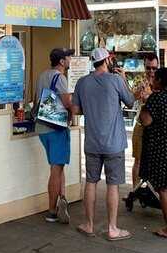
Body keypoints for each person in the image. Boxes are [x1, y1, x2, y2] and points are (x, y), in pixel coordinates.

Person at [72, 48, 135, 240]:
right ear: (107, 60)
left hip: (92, 142)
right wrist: (123, 78)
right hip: (114, 143)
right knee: (113, 185)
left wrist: (92, 109)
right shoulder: (116, 81)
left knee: (90, 182)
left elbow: (75, 110)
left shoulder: (82, 83)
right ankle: (112, 228)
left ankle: (89, 225)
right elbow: (131, 102)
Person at [36, 47, 75, 224]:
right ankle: (52, 211)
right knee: (56, 169)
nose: (70, 60)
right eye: (68, 57)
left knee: (58, 167)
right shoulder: (60, 77)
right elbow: (67, 102)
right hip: (56, 128)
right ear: (61, 61)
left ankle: (61, 200)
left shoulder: (42, 75)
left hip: (42, 127)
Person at [139, 68, 167, 238]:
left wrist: (144, 105)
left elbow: (146, 120)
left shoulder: (156, 98)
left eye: (155, 78)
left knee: (163, 189)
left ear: (160, 81)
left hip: (161, 149)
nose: (152, 80)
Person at [131, 53, 159, 188]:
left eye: (154, 68)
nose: (151, 72)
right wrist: (139, 93)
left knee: (156, 161)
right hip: (141, 125)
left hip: (158, 126)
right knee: (138, 160)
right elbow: (130, 100)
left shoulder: (162, 80)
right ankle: (134, 191)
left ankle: (154, 190)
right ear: (144, 66)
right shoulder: (139, 79)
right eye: (148, 68)